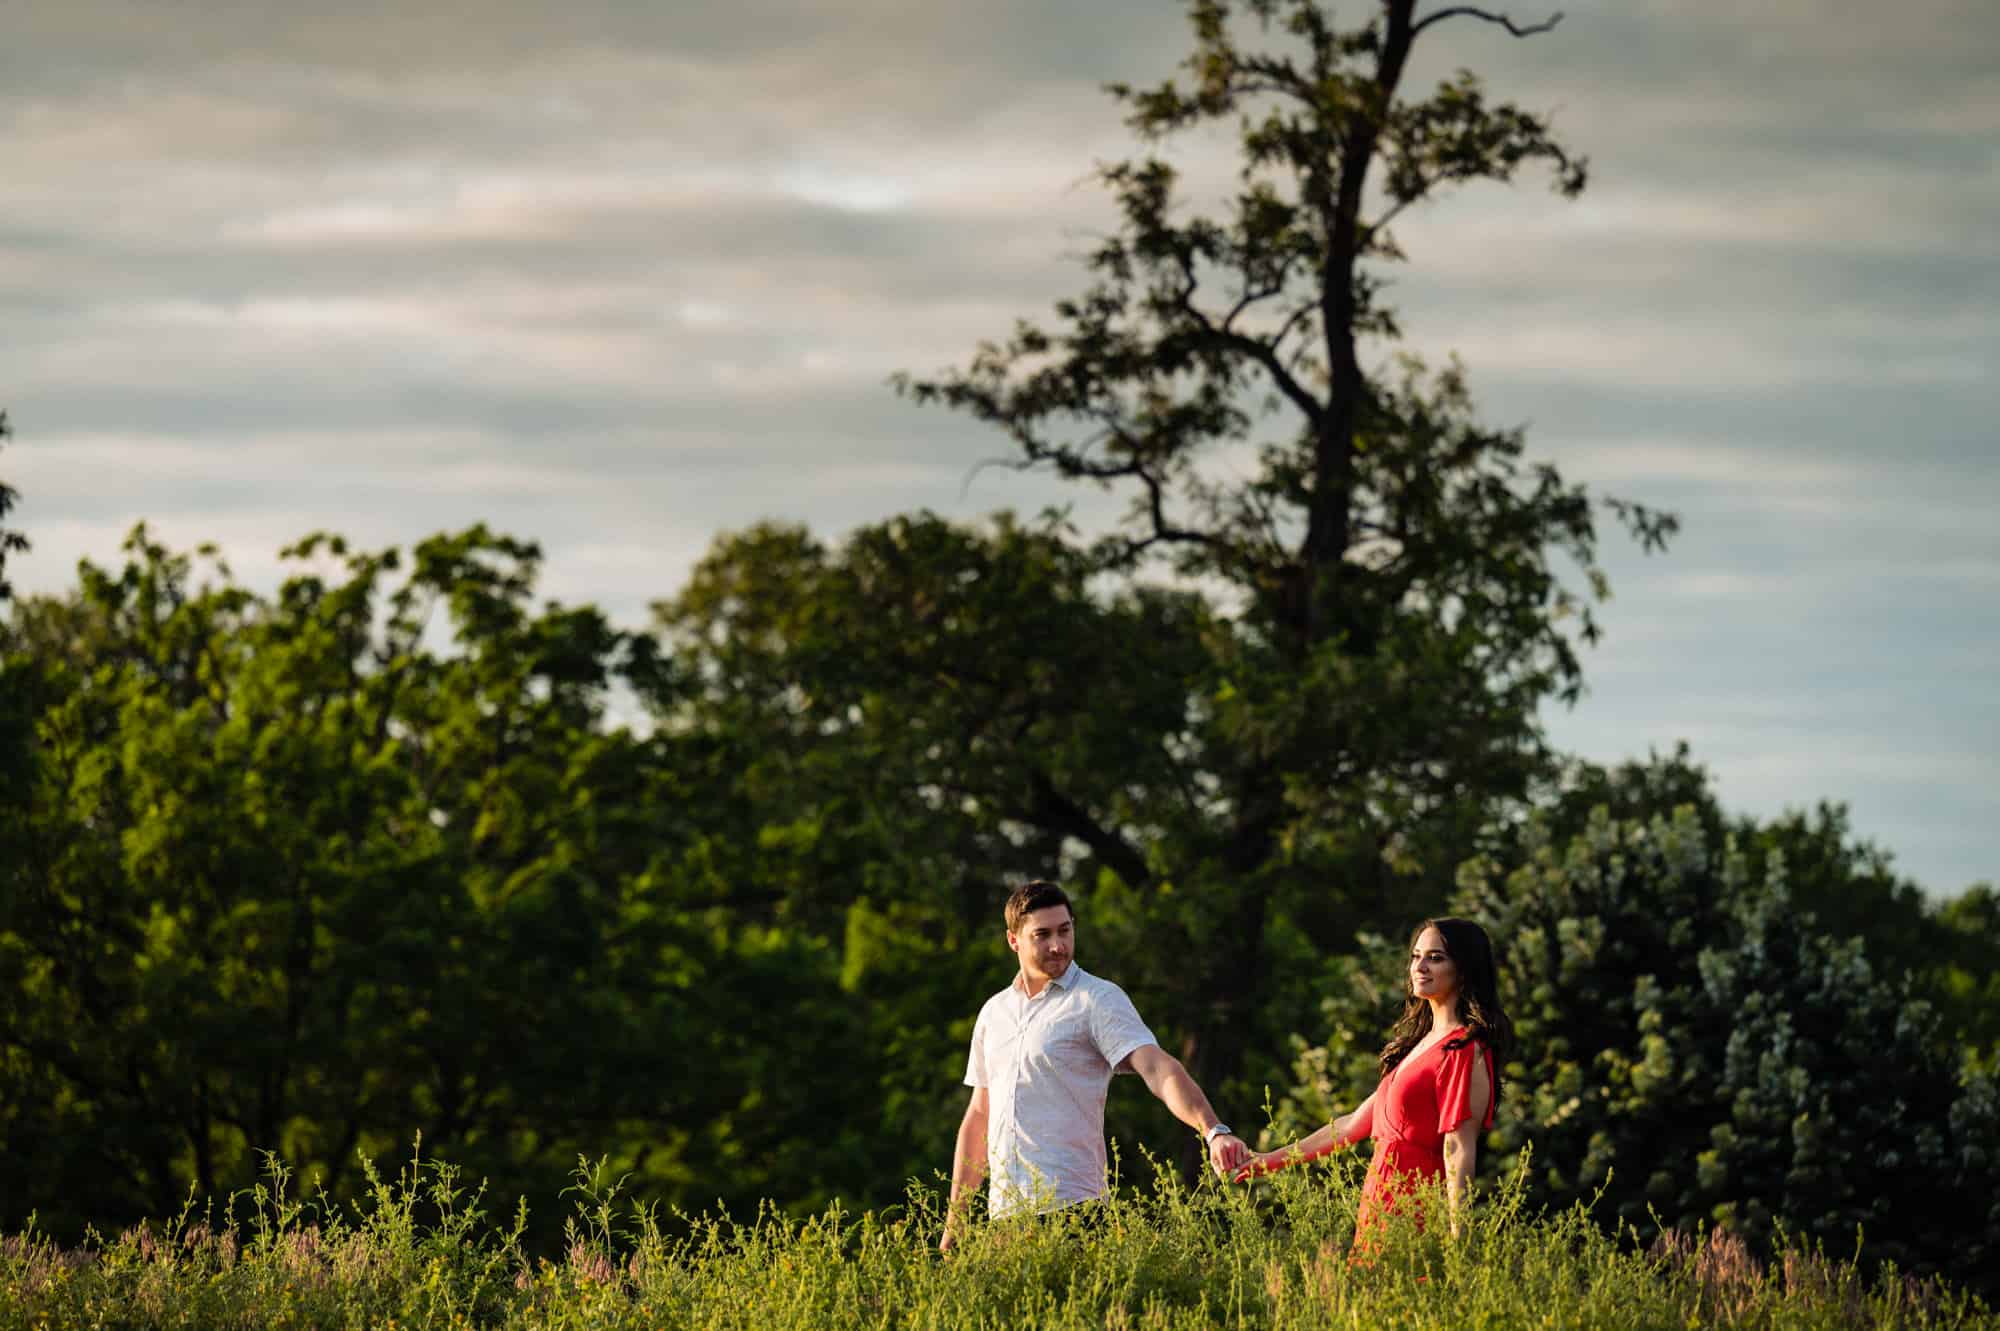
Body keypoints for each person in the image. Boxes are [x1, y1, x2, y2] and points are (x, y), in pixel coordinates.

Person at [940, 879, 1252, 1251]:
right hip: (1005, 1218)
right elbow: (979, 1117)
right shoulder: (994, 1013)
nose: (1058, 945)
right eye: (1042, 935)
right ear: (1013, 940)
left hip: (1074, 1211)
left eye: (1065, 930)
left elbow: (1157, 1068)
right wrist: (955, 1225)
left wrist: (1213, 1129)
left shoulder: (1096, 999)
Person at [1246, 917, 1514, 1244]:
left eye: (1436, 958)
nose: (1420, 966)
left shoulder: (1463, 1049)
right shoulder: (1416, 1047)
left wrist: (1459, 1245)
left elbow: (1457, 1148)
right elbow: (1349, 1127)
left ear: (1464, 969)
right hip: (1378, 1210)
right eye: (1416, 956)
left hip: (1416, 1212)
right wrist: (1264, 1162)